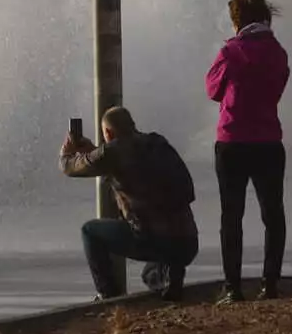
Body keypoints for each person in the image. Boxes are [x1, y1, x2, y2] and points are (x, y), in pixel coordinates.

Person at [61, 105, 197, 301]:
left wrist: (66, 153)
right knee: (150, 275)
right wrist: (95, 152)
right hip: (188, 242)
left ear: (107, 132)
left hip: (153, 239)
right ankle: (170, 276)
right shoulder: (158, 142)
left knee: (89, 231)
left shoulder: (113, 151)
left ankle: (108, 295)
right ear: (132, 124)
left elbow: (70, 168)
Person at [205, 0, 290, 303]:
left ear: (238, 21)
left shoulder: (231, 51)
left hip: (232, 141)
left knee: (232, 217)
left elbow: (213, 90)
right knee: (273, 214)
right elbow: (278, 87)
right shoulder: (278, 52)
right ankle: (270, 284)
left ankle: (233, 288)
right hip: (268, 140)